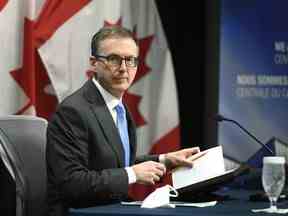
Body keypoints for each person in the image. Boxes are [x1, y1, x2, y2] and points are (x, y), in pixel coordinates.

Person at [46, 25, 204, 216]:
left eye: (130, 60)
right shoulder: (73, 111)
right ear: (93, 63)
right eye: (114, 59)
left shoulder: (117, 106)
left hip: (112, 208)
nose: (123, 68)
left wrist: (164, 161)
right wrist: (133, 174)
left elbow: (109, 160)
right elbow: (72, 182)